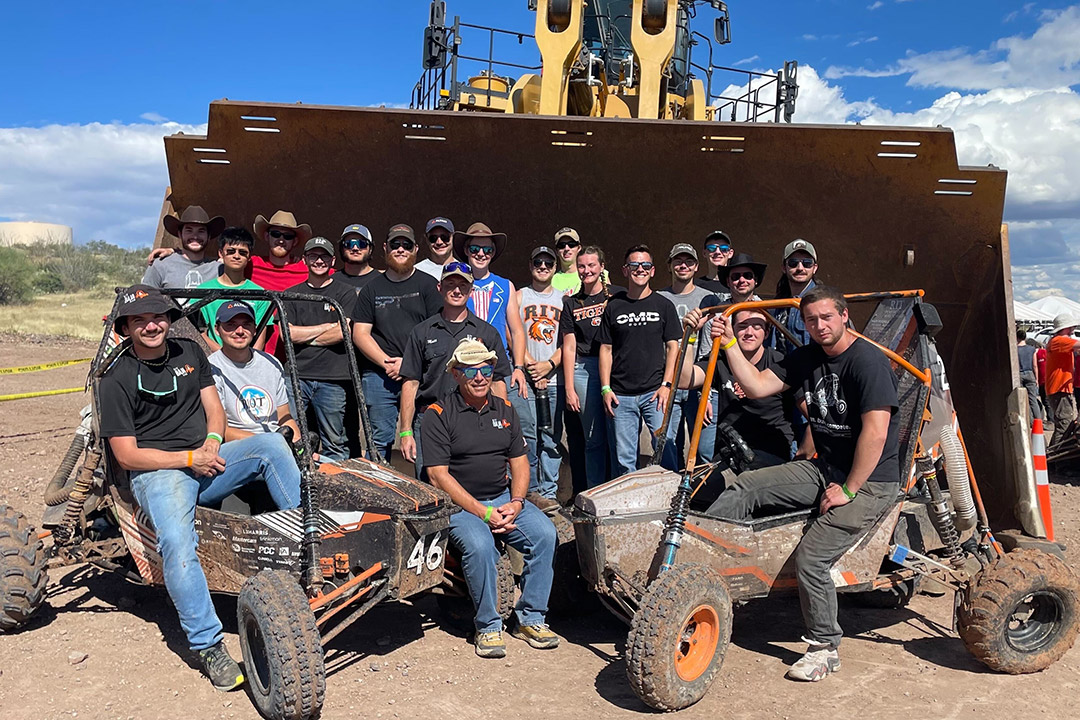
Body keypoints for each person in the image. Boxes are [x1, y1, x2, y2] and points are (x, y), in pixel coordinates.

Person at [98, 285, 301, 691]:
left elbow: (214, 410)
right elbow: (127, 456)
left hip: (207, 458)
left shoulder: (190, 354)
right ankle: (208, 645)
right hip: (161, 473)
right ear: (126, 327)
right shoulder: (115, 379)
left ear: (169, 321)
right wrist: (191, 459)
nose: (152, 325)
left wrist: (211, 442)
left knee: (272, 444)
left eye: (157, 317)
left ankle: (311, 544)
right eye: (140, 320)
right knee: (176, 542)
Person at [704, 285, 900, 682]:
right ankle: (705, 578)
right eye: (811, 319)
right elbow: (757, 386)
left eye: (827, 317)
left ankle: (825, 648)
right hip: (824, 467)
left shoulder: (867, 361)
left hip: (871, 480)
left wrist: (848, 489)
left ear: (845, 316)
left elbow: (876, 434)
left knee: (811, 557)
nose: (819, 325)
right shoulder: (807, 357)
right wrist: (727, 344)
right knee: (745, 487)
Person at [422, 339, 559, 658]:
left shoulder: (506, 409)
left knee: (545, 536)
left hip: (504, 498)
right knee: (481, 547)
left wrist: (518, 501)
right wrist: (483, 513)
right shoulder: (438, 414)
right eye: (471, 370)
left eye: (486, 368)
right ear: (456, 374)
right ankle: (487, 625)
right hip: (459, 508)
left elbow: (520, 462)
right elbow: (439, 476)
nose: (480, 376)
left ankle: (530, 619)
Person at [399, 262, 511, 479]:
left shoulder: (486, 333)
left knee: (472, 486)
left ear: (471, 291)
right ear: (440, 288)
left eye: (463, 285)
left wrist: (503, 426)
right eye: (450, 284)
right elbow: (410, 383)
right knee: (430, 492)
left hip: (474, 420)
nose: (457, 290)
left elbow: (497, 382)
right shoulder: (422, 331)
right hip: (430, 419)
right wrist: (406, 432)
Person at [352, 224, 442, 461]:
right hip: (381, 376)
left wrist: (410, 364)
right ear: (385, 248)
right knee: (378, 439)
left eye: (406, 245)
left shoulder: (429, 285)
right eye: (395, 244)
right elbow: (360, 333)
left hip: (422, 375)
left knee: (425, 435)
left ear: (415, 250)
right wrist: (388, 363)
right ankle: (380, 491)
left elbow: (438, 331)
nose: (400, 249)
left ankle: (427, 492)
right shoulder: (372, 288)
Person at [679, 308, 804, 470]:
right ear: (732, 330)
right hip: (730, 454)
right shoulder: (720, 359)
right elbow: (684, 380)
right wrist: (690, 336)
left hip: (771, 455)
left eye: (756, 327)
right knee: (701, 492)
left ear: (766, 333)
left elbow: (809, 414)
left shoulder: (780, 363)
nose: (749, 332)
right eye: (742, 326)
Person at [599, 245, 681, 475]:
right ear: (625, 271)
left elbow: (673, 346)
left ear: (653, 271)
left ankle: (671, 500)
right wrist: (605, 388)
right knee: (625, 460)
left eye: (645, 265)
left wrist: (666, 385)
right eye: (634, 265)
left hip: (655, 392)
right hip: (621, 395)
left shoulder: (663, 305)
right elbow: (605, 349)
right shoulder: (614, 306)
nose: (640, 269)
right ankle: (630, 505)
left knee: (665, 448)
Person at [283, 237, 361, 461]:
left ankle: (336, 490)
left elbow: (342, 333)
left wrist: (304, 335)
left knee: (335, 442)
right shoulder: (291, 293)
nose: (319, 260)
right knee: (291, 440)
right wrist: (326, 327)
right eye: (314, 256)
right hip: (296, 377)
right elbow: (286, 334)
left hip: (333, 379)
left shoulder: (345, 293)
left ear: (333, 260)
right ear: (305, 260)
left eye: (324, 256)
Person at [657, 243, 721, 468]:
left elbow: (712, 345)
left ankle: (701, 498)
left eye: (689, 262)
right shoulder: (659, 298)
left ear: (696, 267)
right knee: (667, 445)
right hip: (668, 382)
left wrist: (708, 390)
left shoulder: (710, 299)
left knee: (703, 450)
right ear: (670, 265)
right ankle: (672, 495)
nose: (683, 265)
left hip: (697, 382)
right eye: (678, 261)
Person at [560, 246, 617, 491]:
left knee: (618, 436)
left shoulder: (617, 296)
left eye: (592, 265)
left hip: (616, 367)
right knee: (592, 438)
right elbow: (569, 346)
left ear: (602, 267)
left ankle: (619, 489)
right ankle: (595, 492)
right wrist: (570, 387)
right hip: (585, 368)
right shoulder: (572, 302)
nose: (587, 271)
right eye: (582, 266)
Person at [452, 223, 529, 397]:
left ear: (493, 253)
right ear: (466, 250)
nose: (481, 254)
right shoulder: (457, 286)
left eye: (487, 249)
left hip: (500, 365)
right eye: (475, 248)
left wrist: (518, 367)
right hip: (467, 364)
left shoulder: (505, 286)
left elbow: (517, 332)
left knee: (523, 420)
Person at [208, 300, 300, 441]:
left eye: (246, 325)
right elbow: (220, 430)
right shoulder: (211, 368)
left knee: (325, 462)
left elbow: (284, 417)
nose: (239, 331)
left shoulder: (272, 363)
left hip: (278, 440)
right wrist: (271, 442)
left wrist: (299, 445)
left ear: (255, 329)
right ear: (217, 330)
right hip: (240, 446)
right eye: (231, 325)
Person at [516, 246, 565, 506]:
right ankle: (529, 492)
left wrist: (549, 364)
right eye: (538, 262)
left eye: (548, 262)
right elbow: (514, 334)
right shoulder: (520, 296)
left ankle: (549, 492)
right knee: (528, 437)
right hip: (526, 378)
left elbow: (569, 342)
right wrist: (531, 365)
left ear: (555, 268)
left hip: (554, 378)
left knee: (551, 438)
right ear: (530, 265)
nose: (543, 266)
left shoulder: (563, 299)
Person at [196, 227, 274, 353]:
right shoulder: (202, 291)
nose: (236, 256)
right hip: (212, 360)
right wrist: (224, 358)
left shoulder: (260, 294)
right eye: (231, 251)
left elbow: (260, 336)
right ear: (221, 253)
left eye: (242, 252)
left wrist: (247, 361)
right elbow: (199, 333)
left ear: (249, 257)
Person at [143, 206, 224, 292]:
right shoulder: (160, 265)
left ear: (209, 236)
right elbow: (145, 299)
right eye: (189, 231)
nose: (195, 236)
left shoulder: (219, 269)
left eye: (201, 231)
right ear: (180, 234)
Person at [771, 239, 819, 354]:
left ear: (815, 268)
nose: (800, 268)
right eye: (793, 263)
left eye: (807, 263)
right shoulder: (776, 305)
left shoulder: (826, 302)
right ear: (784, 268)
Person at [250, 210, 312, 291]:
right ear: (267, 236)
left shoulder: (308, 269)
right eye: (276, 234)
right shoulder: (250, 265)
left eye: (288, 236)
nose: (281, 241)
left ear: (295, 241)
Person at [1045, 313, 1080, 446]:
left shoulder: (1058, 342)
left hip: (1060, 388)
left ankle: (1053, 456)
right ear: (1067, 327)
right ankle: (1058, 461)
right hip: (1059, 388)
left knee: (1064, 423)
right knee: (1064, 424)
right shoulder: (1060, 341)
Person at [336, 223, 380, 292]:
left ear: (370, 249)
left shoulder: (381, 280)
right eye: (349, 244)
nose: (355, 248)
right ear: (342, 248)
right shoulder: (332, 281)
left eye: (362, 244)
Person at [1017, 328, 1042, 423]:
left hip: (1019, 374)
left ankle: (1026, 420)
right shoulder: (1031, 349)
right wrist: (1036, 378)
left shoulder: (1015, 349)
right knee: (1033, 399)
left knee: (1022, 399)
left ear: (1017, 338)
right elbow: (1035, 365)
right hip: (1030, 373)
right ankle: (1038, 420)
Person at [551, 227, 583, 294]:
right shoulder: (550, 281)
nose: (567, 248)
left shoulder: (595, 274)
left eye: (571, 244)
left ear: (579, 248)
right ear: (556, 251)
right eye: (561, 245)